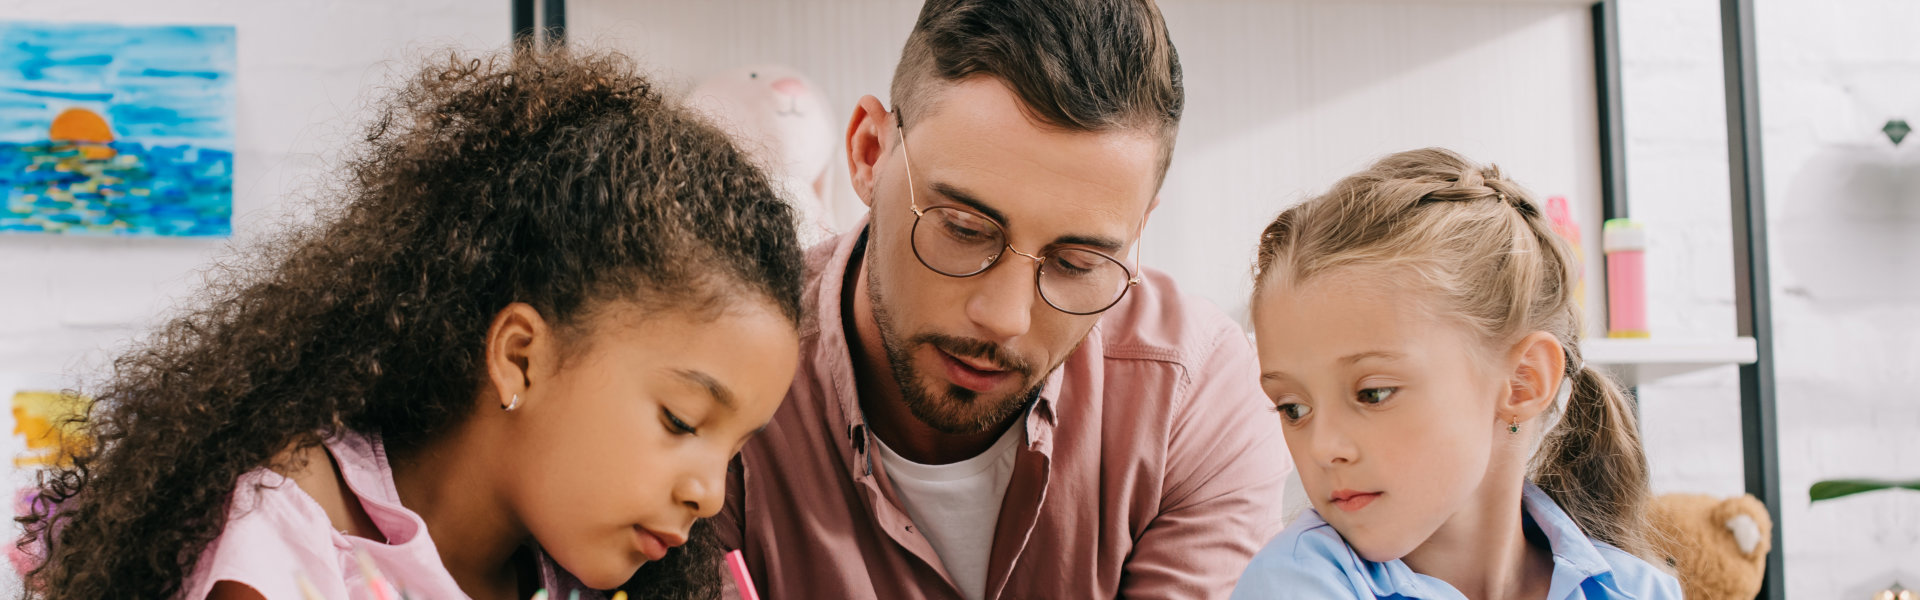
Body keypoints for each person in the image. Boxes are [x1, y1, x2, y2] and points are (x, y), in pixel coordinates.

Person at [19, 49, 806, 600]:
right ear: (521, 357)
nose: (708, 493)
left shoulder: (598, 577)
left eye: (737, 447)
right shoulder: (289, 534)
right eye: (682, 420)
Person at [714, 1, 1290, 597]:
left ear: (1138, 230)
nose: (1005, 319)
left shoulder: (1196, 398)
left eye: (1078, 263)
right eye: (963, 228)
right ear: (869, 153)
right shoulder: (710, 362)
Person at [1234, 148, 1682, 599]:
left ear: (1524, 381)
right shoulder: (1291, 585)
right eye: (1293, 408)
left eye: (1372, 394)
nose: (1323, 448)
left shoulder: (1641, 589)